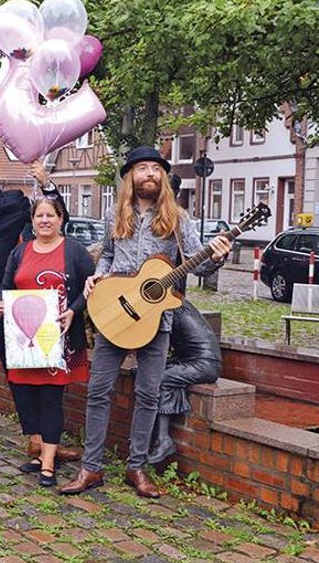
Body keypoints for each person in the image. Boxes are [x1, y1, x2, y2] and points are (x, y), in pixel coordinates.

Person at [59, 146, 231, 499]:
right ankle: (90, 467)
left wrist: (217, 258)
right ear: (130, 177)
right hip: (115, 312)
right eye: (143, 169)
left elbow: (197, 264)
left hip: (157, 318)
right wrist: (98, 276)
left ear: (163, 178)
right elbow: (107, 254)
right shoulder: (113, 214)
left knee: (148, 395)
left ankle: (137, 467)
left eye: (156, 169)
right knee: (98, 392)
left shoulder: (177, 218)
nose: (150, 174)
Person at [0, 148, 76, 461]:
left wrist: (47, 184)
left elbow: (55, 215)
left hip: (8, 297)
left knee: (20, 367)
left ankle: (36, 437)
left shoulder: (14, 202)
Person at [0, 198, 93, 487]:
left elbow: (93, 287)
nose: (45, 220)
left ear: (61, 219)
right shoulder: (20, 250)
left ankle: (48, 462)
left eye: (51, 215)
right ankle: (39, 450)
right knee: (26, 396)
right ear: (32, 220)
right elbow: (5, 285)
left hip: (59, 342)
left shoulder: (74, 250)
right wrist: (0, 303)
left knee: (51, 398)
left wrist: (74, 308)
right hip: (24, 340)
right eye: (39, 215)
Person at [149, 300, 222, 463]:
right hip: (186, 359)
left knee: (162, 378)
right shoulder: (177, 303)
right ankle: (148, 434)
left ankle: (163, 440)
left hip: (205, 364)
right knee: (144, 373)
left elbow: (158, 344)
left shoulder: (169, 308)